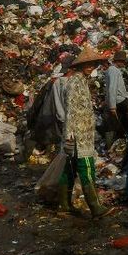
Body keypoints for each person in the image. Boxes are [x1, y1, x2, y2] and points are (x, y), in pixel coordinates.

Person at [45, 48, 109, 218]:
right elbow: (72, 110)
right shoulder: (75, 83)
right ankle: (95, 207)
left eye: (93, 64)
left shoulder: (81, 81)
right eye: (87, 65)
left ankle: (64, 205)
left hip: (80, 133)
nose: (91, 67)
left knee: (69, 170)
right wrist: (69, 134)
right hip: (78, 136)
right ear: (80, 66)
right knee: (86, 168)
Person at [102, 51, 128, 151]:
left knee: (118, 123)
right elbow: (112, 88)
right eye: (123, 62)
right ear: (119, 61)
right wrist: (112, 106)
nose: (124, 64)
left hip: (117, 100)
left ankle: (122, 141)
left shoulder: (111, 70)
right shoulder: (114, 70)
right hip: (119, 100)